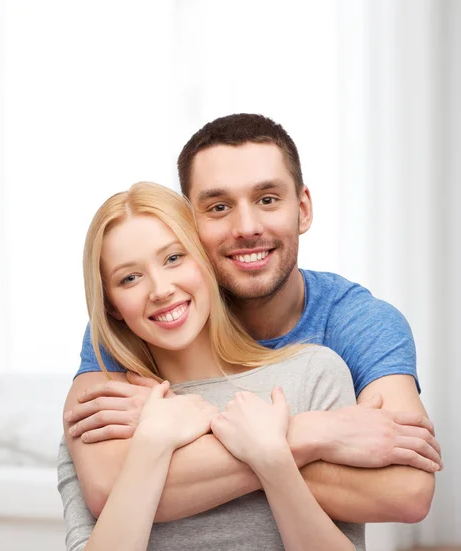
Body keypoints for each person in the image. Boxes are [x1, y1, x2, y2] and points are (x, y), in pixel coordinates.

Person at [63, 114, 440, 526]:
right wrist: (316, 434)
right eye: (219, 207)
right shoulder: (151, 320)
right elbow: (106, 488)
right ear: (189, 224)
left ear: (303, 209)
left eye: (267, 199)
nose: (246, 227)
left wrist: (188, 440)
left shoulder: (359, 322)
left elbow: (406, 493)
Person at [58, 182, 368, 551]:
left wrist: (273, 458)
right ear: (112, 307)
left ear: (204, 260)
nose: (160, 289)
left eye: (173, 258)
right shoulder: (106, 415)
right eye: (130, 279)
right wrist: (153, 442)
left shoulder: (313, 374)